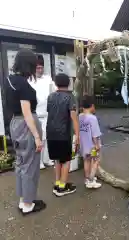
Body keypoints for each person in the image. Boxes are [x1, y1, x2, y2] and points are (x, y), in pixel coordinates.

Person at [6, 49, 46, 215]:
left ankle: (23, 200)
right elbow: (27, 112)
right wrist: (37, 137)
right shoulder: (22, 83)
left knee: (21, 164)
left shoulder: (10, 80)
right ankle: (29, 204)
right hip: (26, 124)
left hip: (15, 123)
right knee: (30, 165)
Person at [46, 73, 79, 197]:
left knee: (57, 159)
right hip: (63, 134)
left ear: (56, 83)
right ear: (69, 83)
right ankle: (62, 187)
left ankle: (58, 183)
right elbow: (73, 117)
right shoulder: (70, 97)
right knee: (66, 160)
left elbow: (51, 113)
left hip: (50, 133)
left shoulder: (50, 97)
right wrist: (77, 134)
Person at [28, 54, 56, 169]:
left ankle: (48, 159)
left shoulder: (48, 78)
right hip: (36, 114)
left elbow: (54, 91)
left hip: (47, 113)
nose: (40, 70)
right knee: (38, 138)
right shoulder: (29, 80)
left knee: (47, 137)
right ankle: (38, 162)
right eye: (37, 68)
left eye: (41, 67)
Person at [79, 95, 102, 189]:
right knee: (96, 161)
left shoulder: (80, 116)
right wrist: (97, 145)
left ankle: (87, 179)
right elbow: (95, 134)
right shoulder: (92, 118)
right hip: (92, 145)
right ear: (92, 106)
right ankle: (91, 180)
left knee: (86, 161)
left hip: (84, 144)